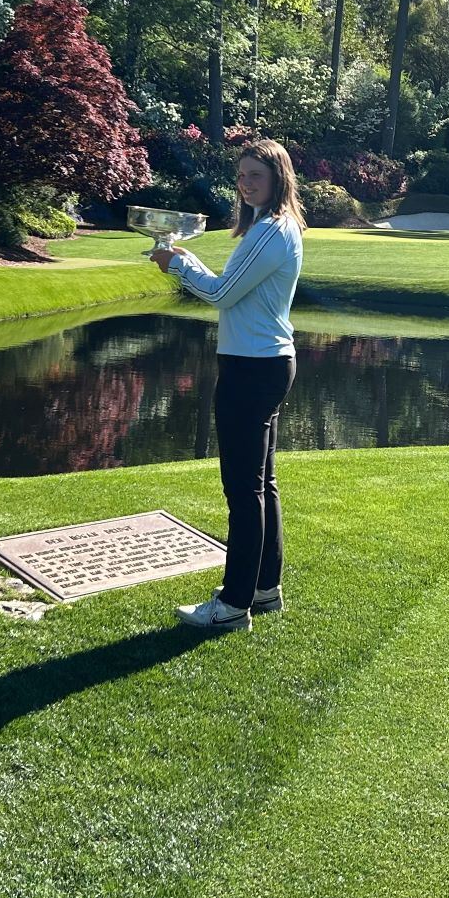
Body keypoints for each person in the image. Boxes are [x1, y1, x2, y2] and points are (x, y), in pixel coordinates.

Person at [149, 138, 305, 632]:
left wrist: (176, 262)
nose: (245, 183)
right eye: (240, 175)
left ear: (278, 178)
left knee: (243, 489)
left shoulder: (270, 231)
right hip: (266, 363)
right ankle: (263, 587)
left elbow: (220, 293)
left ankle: (234, 603)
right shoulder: (270, 227)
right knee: (262, 484)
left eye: (255, 175)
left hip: (252, 368)